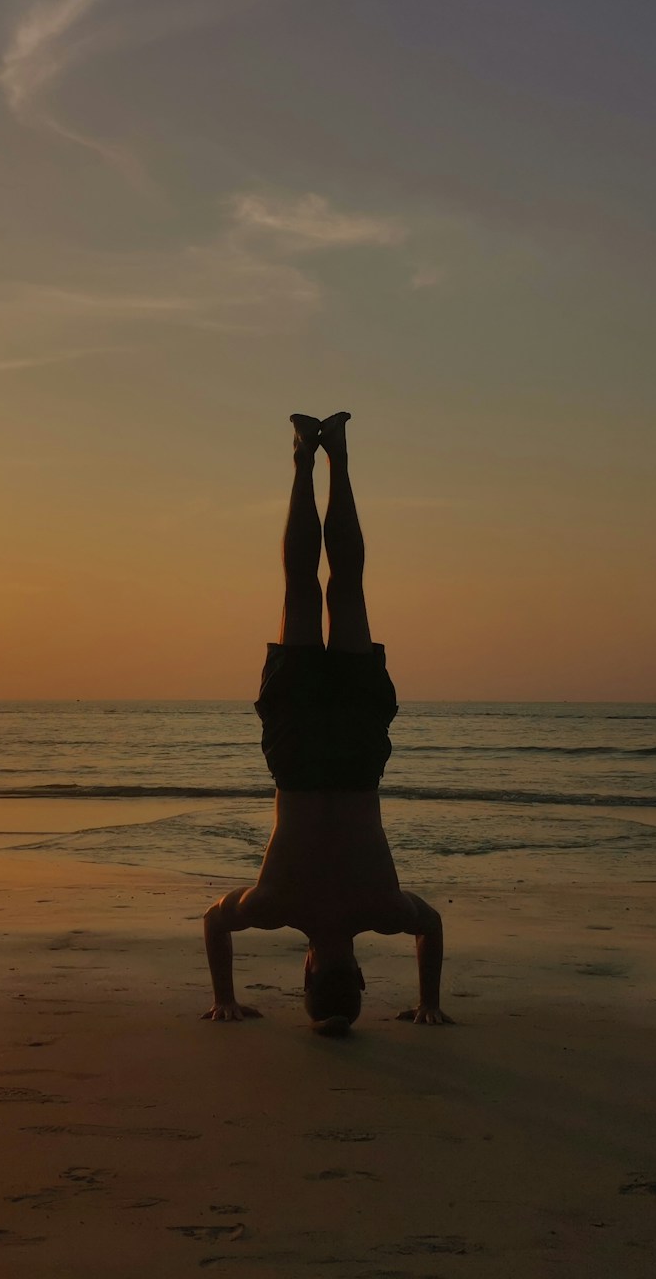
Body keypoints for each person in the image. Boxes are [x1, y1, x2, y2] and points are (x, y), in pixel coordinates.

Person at [201, 412, 450, 1035]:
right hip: (300, 757)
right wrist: (223, 997)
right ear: (308, 972)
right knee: (300, 590)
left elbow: (432, 926)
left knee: (349, 589)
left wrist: (430, 1000)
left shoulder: (386, 909)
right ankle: (303, 459)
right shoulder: (272, 906)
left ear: (360, 975)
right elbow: (213, 919)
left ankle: (336, 454)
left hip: (359, 759)